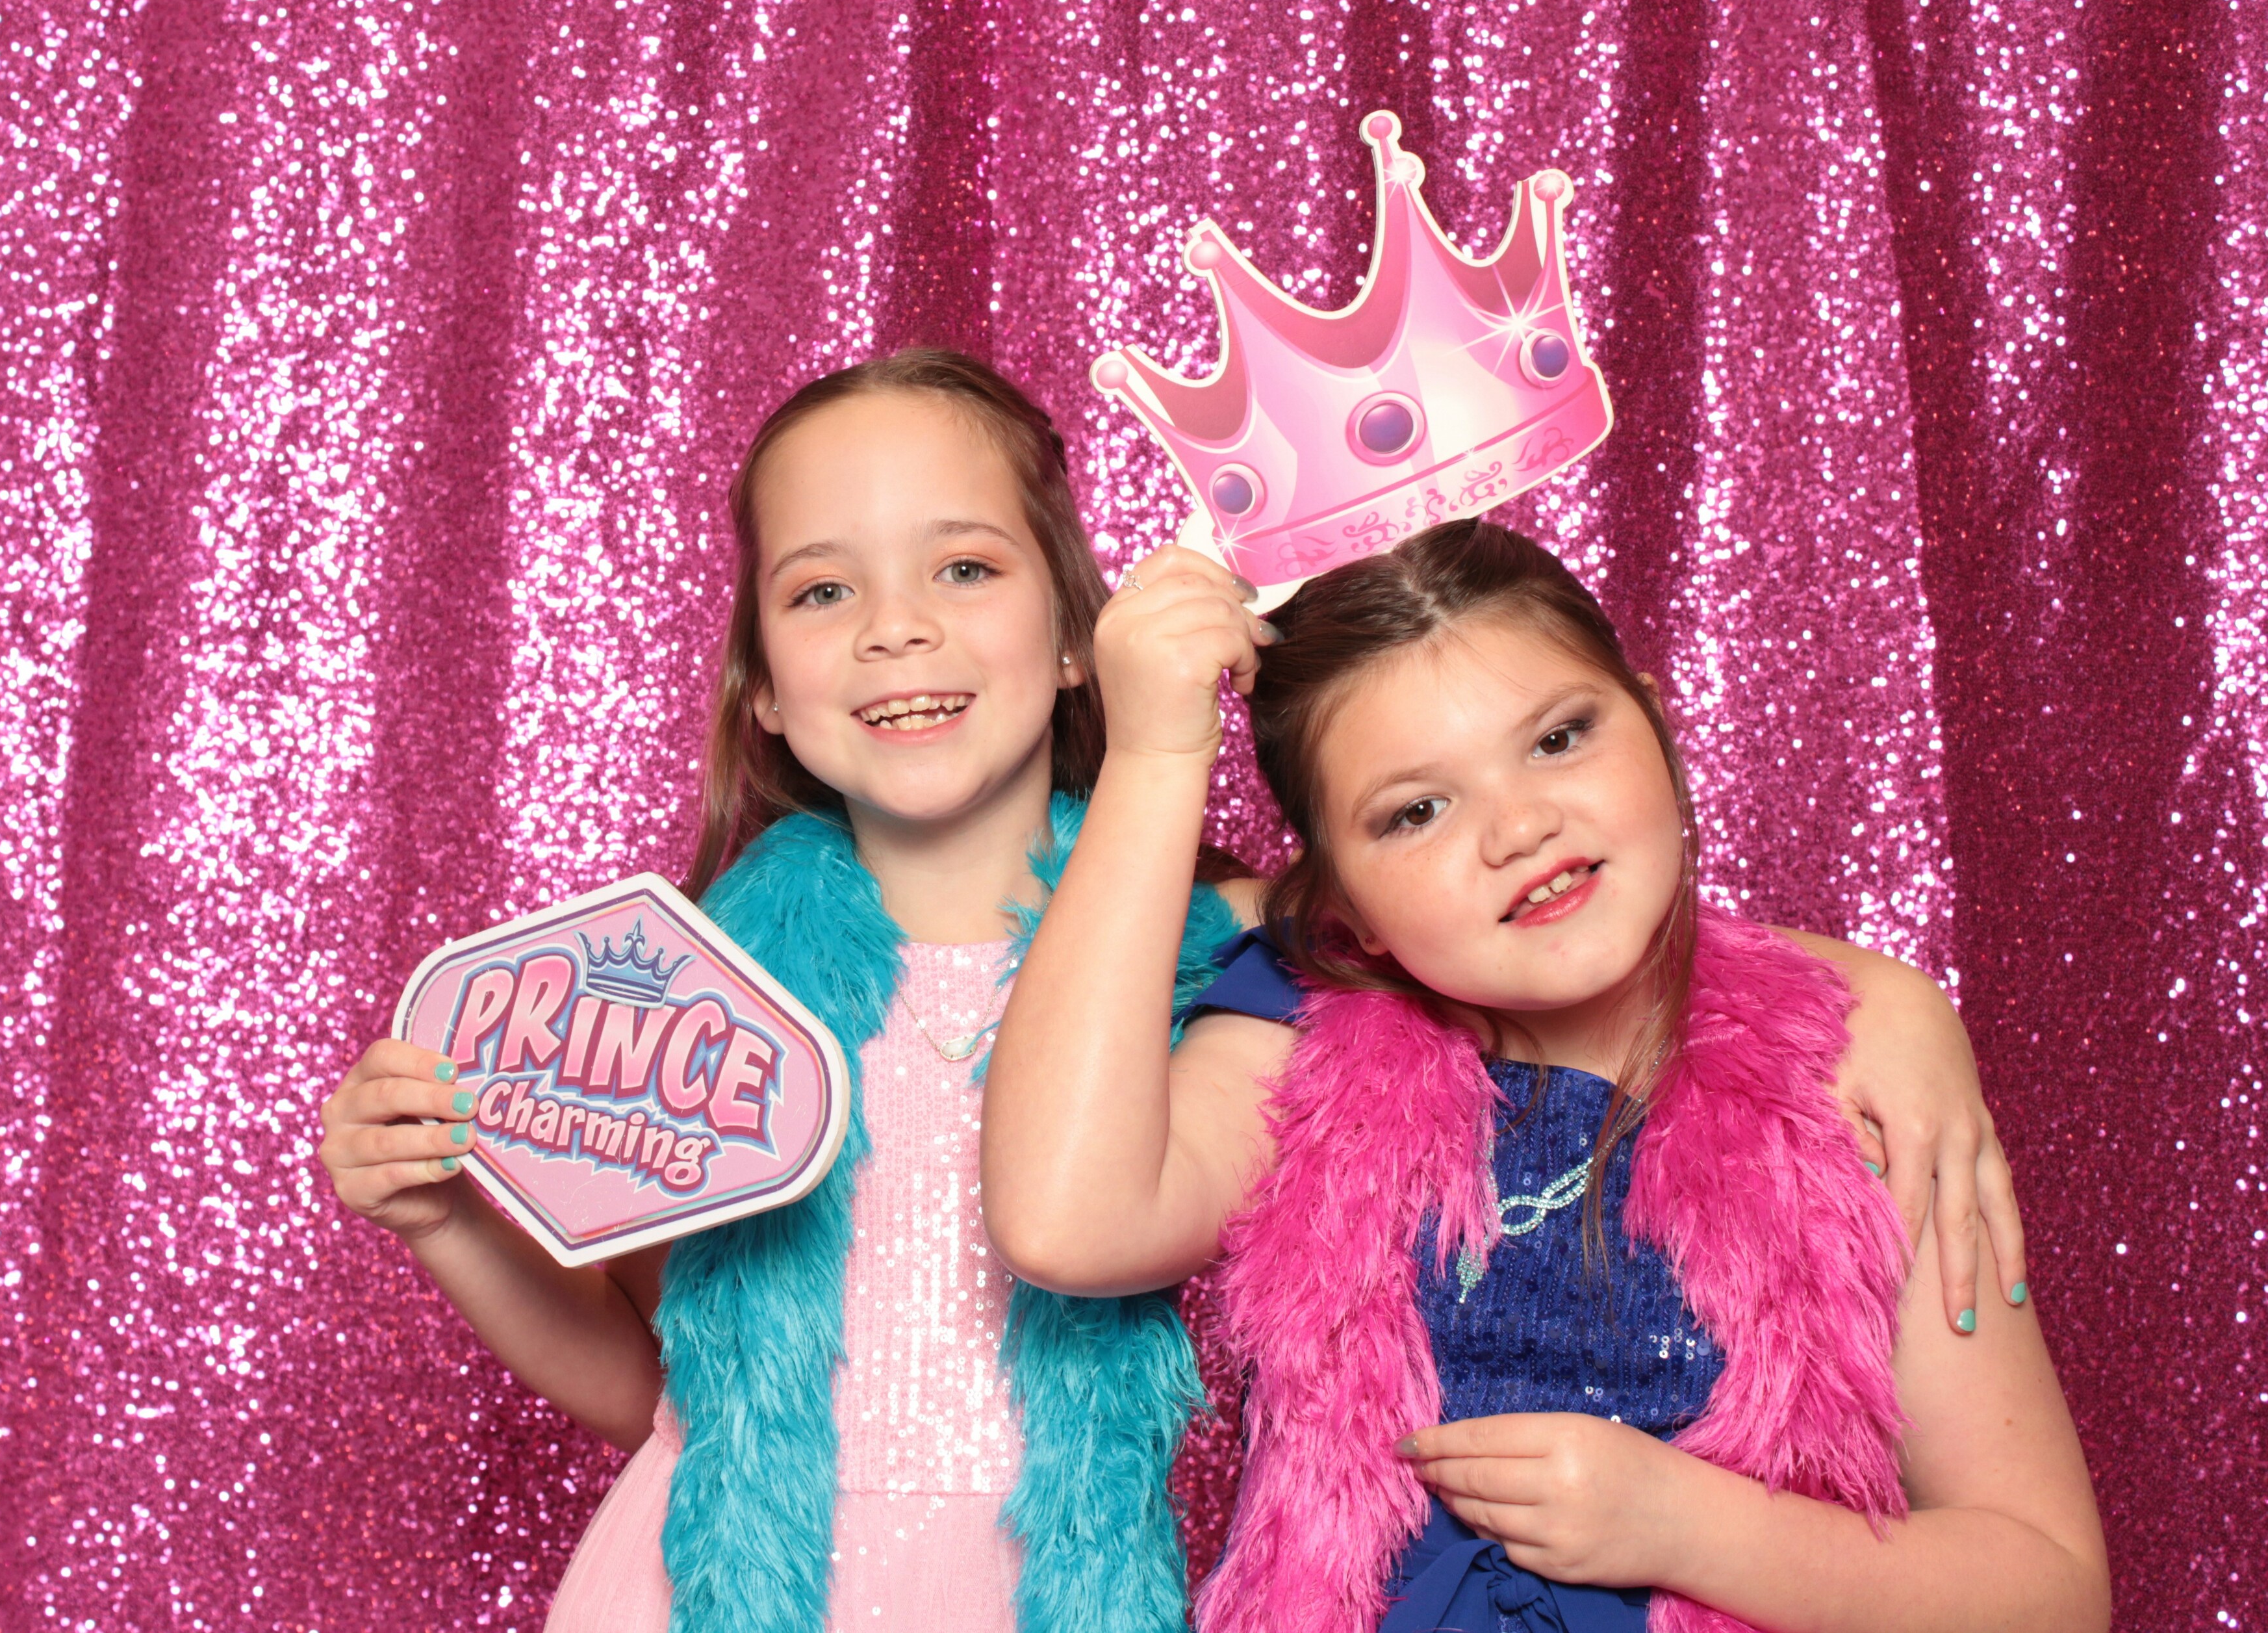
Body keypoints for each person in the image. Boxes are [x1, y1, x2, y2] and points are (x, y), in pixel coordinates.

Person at [319, 360, 2030, 1633]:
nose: (897, 630)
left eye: (964, 568)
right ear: (759, 684)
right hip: (704, 1588)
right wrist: (451, 1216)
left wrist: (1888, 1002)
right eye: (823, 590)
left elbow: (1491, 916)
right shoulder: (702, 986)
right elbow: (662, 1384)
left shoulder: (1217, 939)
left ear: (1077, 630)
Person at [981, 524, 2101, 1633]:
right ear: (1345, 913)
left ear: (1657, 723)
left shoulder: (1852, 1074)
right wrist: (1156, 761)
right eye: (1417, 811)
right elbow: (1065, 1223)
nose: (1520, 827)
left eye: (1560, 738)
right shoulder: (1303, 1045)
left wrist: (1691, 1529)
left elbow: (2048, 1589)